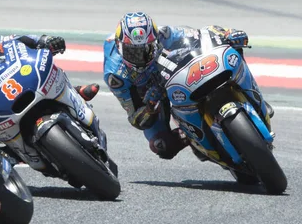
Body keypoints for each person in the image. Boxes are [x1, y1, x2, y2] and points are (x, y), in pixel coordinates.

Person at [103, 11, 273, 160]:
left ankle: (251, 95)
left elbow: (200, 35)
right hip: (149, 93)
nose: (139, 57)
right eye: (133, 52)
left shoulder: (164, 34)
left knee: (232, 47)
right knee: (161, 145)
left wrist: (226, 33)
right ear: (120, 46)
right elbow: (135, 119)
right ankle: (192, 138)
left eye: (145, 50)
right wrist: (149, 107)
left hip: (172, 72)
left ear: (154, 41)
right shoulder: (116, 75)